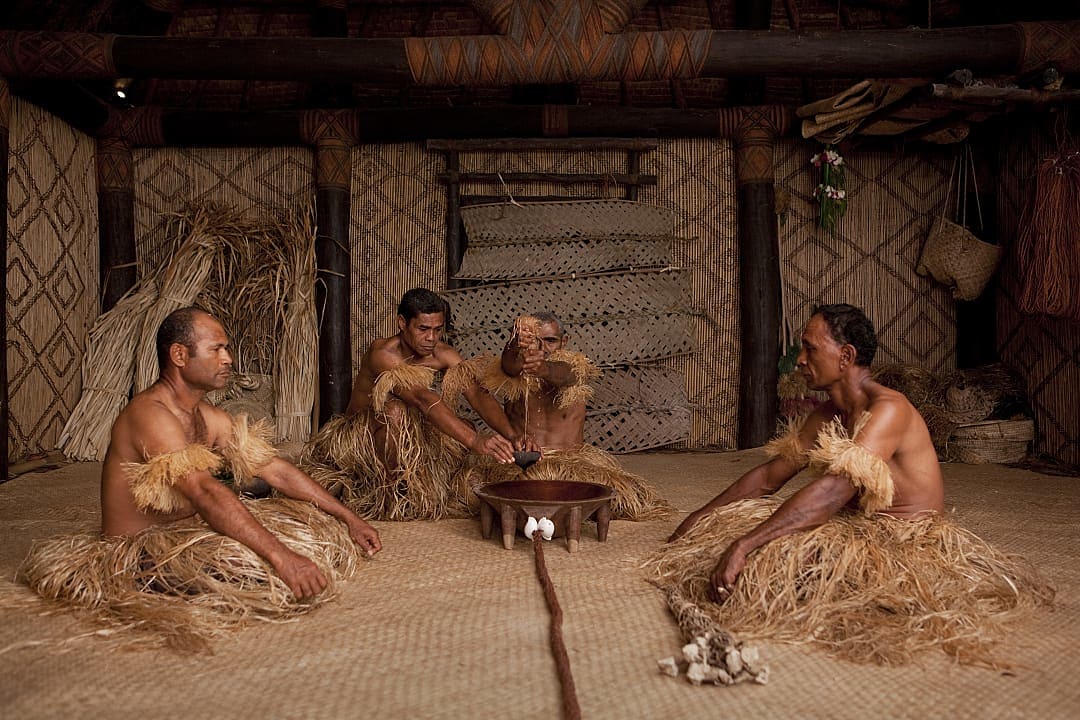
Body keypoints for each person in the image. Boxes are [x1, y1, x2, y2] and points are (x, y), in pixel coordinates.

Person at [648, 303, 1053, 666]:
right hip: (858, 526)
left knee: (767, 559)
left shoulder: (888, 410)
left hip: (904, 541)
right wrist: (700, 517)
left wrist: (746, 544)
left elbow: (833, 492)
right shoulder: (827, 415)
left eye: (810, 349)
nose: (799, 360)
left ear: (846, 356)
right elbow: (769, 477)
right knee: (741, 537)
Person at [21, 307, 382, 650]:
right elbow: (204, 492)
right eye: (216, 349)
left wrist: (349, 518)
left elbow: (276, 470)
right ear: (179, 355)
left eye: (227, 349)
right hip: (140, 553)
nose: (228, 359)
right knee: (263, 573)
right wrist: (281, 556)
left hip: (188, 535)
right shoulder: (150, 415)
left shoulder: (208, 416)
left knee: (311, 532)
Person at [302, 288, 519, 520]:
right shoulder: (383, 354)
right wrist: (475, 441)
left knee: (465, 425)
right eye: (423, 329)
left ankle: (429, 489)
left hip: (411, 435)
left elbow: (477, 394)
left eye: (437, 329)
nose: (431, 338)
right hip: (360, 438)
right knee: (395, 412)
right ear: (402, 323)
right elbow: (422, 399)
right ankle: (391, 498)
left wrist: (512, 435)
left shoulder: (443, 354)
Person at [456, 312, 670, 520]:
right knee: (471, 488)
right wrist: (514, 345)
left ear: (564, 341)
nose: (542, 348)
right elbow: (509, 365)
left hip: (569, 464)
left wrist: (544, 369)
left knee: (619, 495)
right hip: (518, 462)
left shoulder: (574, 367)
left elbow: (565, 375)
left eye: (550, 341)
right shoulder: (513, 368)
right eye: (536, 340)